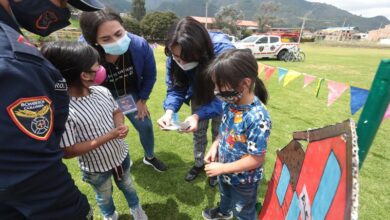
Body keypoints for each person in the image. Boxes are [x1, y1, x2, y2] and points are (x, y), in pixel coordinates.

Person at [0, 1, 104, 219]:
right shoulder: (15, 60)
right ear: (81, 73)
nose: (64, 10)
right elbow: (33, 175)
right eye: (63, 0)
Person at [41, 41, 148, 220]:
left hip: (120, 156)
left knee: (128, 185)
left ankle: (136, 208)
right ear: (84, 75)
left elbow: (116, 111)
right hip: (96, 168)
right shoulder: (64, 109)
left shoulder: (102, 91)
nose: (100, 68)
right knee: (104, 196)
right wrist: (110, 136)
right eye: (96, 66)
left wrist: (119, 124)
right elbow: (69, 151)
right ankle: (109, 215)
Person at [79, 8, 167, 172]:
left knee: (144, 124)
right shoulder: (84, 52)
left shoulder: (139, 45)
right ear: (94, 41)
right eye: (106, 38)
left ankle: (150, 157)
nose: (116, 41)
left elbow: (150, 75)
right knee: (108, 130)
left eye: (119, 34)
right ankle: (115, 159)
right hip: (101, 96)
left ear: (123, 27)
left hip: (126, 93)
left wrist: (142, 100)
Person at [157, 17, 235, 184]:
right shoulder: (174, 53)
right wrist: (169, 111)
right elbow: (176, 87)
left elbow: (227, 95)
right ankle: (199, 164)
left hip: (224, 96)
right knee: (198, 132)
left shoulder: (223, 50)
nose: (181, 62)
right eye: (177, 57)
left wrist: (197, 115)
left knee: (219, 133)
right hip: (198, 94)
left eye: (186, 57)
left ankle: (215, 166)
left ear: (200, 50)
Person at [202, 49, 271, 220]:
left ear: (245, 83)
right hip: (224, 169)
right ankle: (223, 212)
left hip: (244, 181)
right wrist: (215, 145)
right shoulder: (230, 103)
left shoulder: (258, 118)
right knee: (225, 196)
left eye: (221, 85)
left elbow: (257, 158)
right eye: (215, 85)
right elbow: (225, 130)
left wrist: (222, 168)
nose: (216, 91)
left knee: (243, 212)